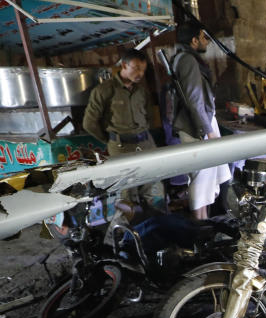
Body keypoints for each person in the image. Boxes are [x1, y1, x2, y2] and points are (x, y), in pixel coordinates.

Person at [82, 48, 165, 214]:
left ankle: (156, 227)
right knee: (127, 192)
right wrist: (110, 140)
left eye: (143, 69)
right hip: (121, 148)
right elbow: (89, 123)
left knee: (154, 187)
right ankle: (127, 234)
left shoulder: (141, 90)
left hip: (146, 143)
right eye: (136, 68)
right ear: (124, 65)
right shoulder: (104, 90)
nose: (140, 73)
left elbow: (149, 116)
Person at [172, 22, 231, 220]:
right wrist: (207, 130)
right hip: (196, 126)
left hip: (203, 121)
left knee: (212, 174)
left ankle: (205, 221)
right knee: (202, 176)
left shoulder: (188, 58)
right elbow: (194, 98)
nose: (207, 41)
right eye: (203, 37)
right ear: (194, 40)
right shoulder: (187, 60)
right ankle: (199, 225)